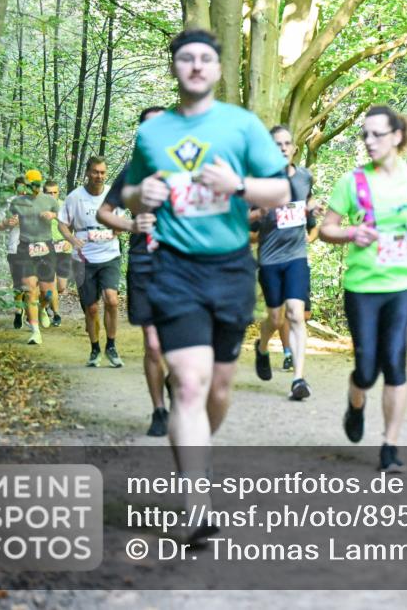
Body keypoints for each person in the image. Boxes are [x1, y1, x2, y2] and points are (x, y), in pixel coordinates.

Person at [123, 28, 289, 542]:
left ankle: (197, 453)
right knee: (189, 385)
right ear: (174, 67)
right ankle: (197, 505)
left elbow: (281, 189)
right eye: (186, 58)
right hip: (174, 269)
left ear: (217, 69)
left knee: (218, 388)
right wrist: (141, 195)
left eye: (205, 58)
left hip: (230, 268)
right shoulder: (153, 134)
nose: (195, 66)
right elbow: (129, 191)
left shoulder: (241, 125)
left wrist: (237, 185)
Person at [320, 105, 407, 472]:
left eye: (377, 134)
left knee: (394, 361)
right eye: (365, 135)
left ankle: (390, 446)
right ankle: (355, 402)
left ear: (397, 136)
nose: (369, 141)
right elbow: (326, 229)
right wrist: (351, 232)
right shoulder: (352, 182)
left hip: (404, 282)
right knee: (366, 369)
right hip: (362, 285)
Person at [97, 105, 170, 437]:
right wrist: (130, 225)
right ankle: (159, 410)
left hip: (183, 266)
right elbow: (103, 212)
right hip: (144, 263)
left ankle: (175, 378)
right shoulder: (133, 171)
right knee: (153, 344)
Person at [252, 124, 320, 400]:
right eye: (276, 144)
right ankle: (262, 347)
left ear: (294, 149)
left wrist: (312, 213)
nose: (282, 148)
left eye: (286, 144)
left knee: (295, 313)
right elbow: (245, 226)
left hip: (296, 257)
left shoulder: (304, 177)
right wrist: (262, 213)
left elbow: (308, 212)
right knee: (275, 317)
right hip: (269, 259)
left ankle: (298, 379)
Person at [59, 156, 125, 368]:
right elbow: (62, 224)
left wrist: (115, 231)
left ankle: (111, 346)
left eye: (103, 172)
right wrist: (71, 239)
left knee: (112, 300)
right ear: (88, 173)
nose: (99, 176)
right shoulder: (75, 197)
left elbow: (120, 222)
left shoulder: (113, 196)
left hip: (109, 256)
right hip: (83, 259)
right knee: (92, 308)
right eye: (95, 172)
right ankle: (95, 349)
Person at [8, 169, 60, 345]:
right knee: (29, 289)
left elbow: (65, 218)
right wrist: (10, 222)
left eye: (38, 184)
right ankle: (35, 332)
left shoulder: (49, 201)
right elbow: (6, 221)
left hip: (46, 247)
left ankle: (42, 308)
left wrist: (53, 215)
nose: (35, 188)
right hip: (25, 248)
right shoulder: (17, 202)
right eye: (32, 185)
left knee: (47, 293)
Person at [0, 175, 27, 330]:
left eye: (25, 186)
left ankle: (33, 308)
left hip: (34, 248)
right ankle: (18, 311)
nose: (23, 190)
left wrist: (23, 221)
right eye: (20, 187)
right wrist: (7, 223)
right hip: (14, 247)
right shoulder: (9, 202)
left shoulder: (35, 202)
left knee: (31, 281)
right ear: (15, 188)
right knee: (18, 283)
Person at [42, 180, 70, 327]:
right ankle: (56, 313)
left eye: (55, 192)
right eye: (49, 193)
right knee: (51, 283)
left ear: (58, 192)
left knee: (61, 286)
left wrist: (70, 241)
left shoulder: (65, 205)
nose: (52, 195)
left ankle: (45, 304)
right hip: (47, 249)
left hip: (64, 248)